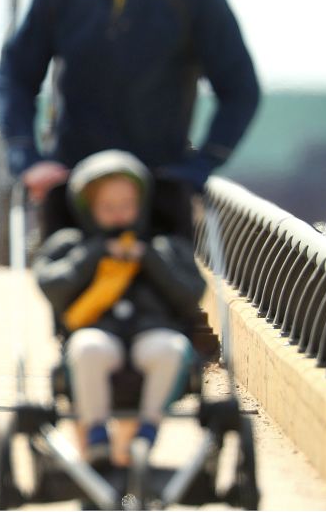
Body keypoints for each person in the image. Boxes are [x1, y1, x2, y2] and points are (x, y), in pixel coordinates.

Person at [0, 0, 260, 241]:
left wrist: (202, 164)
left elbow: (240, 89)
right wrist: (27, 159)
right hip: (73, 183)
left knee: (169, 297)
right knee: (71, 293)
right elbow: (16, 76)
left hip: (161, 185)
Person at [34, 150, 205, 467]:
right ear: (88, 209)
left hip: (153, 331)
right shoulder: (72, 244)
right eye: (108, 208)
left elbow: (191, 293)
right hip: (98, 331)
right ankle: (97, 433)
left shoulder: (162, 246)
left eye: (126, 206)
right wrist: (95, 254)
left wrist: (150, 260)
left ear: (141, 206)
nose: (118, 215)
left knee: (171, 349)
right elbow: (52, 286)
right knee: (87, 349)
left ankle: (147, 431)